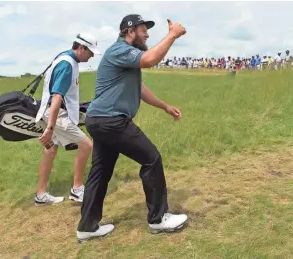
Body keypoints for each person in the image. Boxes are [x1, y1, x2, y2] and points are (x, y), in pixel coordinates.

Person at [76, 14, 187, 242]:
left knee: (100, 172)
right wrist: (173, 34)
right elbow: (149, 59)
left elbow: (140, 88)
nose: (147, 34)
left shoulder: (125, 59)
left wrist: (164, 106)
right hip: (111, 121)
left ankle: (87, 226)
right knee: (151, 158)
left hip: (98, 120)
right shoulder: (119, 50)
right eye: (143, 30)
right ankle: (158, 219)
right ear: (130, 31)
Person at [34, 33, 101, 206]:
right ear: (80, 48)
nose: (92, 56)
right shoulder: (67, 65)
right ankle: (77, 190)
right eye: (90, 52)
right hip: (56, 114)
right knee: (87, 145)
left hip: (52, 112)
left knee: (50, 151)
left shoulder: (65, 57)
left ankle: (41, 195)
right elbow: (56, 97)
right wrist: (50, 128)